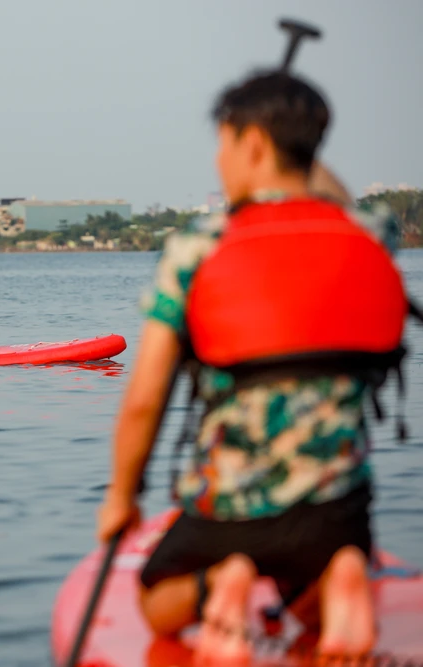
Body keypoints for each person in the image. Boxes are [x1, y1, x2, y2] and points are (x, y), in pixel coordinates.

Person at [95, 70, 407, 663]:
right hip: (333, 507)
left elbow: (145, 397)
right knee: (311, 592)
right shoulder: (371, 231)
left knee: (156, 604)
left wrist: (120, 496)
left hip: (229, 507)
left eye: (224, 143)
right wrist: (297, 150)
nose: (219, 161)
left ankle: (224, 579)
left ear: (253, 145)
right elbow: (330, 196)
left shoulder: (199, 246)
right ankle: (342, 571)